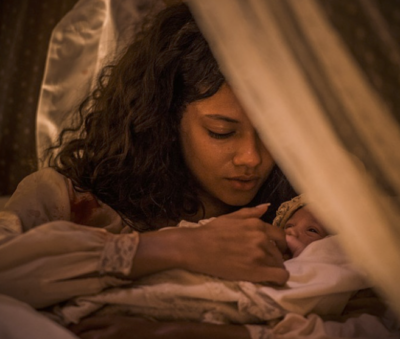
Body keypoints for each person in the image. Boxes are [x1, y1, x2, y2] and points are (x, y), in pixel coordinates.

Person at [0, 3, 299, 339]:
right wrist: (175, 247)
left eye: (273, 134)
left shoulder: (302, 220)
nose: (250, 158)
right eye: (221, 132)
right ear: (166, 120)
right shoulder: (67, 199)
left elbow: (361, 323)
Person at [49, 196, 368, 332]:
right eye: (221, 131)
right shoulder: (61, 194)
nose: (249, 158)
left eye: (311, 231)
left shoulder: (324, 270)